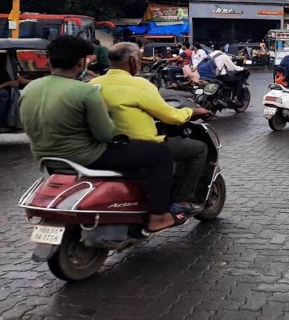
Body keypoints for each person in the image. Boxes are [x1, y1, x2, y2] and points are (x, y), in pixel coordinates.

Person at [19, 36, 181, 234]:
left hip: (46, 158)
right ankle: (158, 216)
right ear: (81, 63)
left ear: (49, 61)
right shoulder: (86, 91)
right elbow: (105, 134)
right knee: (160, 154)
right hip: (87, 157)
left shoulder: (29, 89)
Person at [92, 43, 211, 215]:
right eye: (139, 60)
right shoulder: (140, 84)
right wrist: (192, 111)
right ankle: (180, 199)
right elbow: (170, 116)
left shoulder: (94, 83)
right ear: (133, 61)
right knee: (199, 149)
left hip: (106, 147)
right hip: (140, 147)